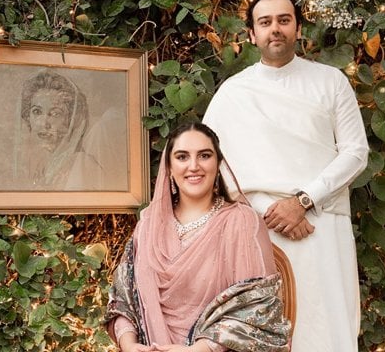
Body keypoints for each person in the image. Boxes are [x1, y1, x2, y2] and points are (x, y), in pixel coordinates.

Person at [203, 0, 369, 351]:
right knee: (269, 332)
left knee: (329, 327)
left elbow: (356, 153)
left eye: (283, 20)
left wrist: (304, 200)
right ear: (251, 34)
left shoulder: (331, 82)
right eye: (265, 22)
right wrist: (266, 210)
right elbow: (214, 165)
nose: (274, 29)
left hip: (322, 222)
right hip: (260, 228)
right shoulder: (232, 93)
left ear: (297, 29)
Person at [105, 122, 290, 352]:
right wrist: (130, 344)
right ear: (169, 168)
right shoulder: (148, 226)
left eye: (204, 155)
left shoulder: (242, 222)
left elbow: (258, 308)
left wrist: (199, 349)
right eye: (182, 157)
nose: (194, 166)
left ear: (218, 163)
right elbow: (123, 301)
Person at [15, 69, 104, 190]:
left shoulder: (82, 165)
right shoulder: (41, 166)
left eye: (55, 113)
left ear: (71, 120)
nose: (44, 123)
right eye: (37, 111)